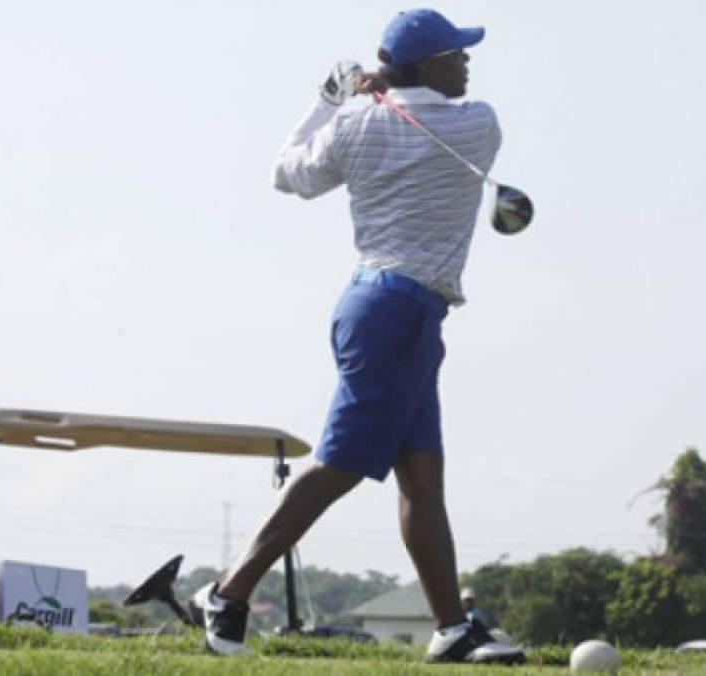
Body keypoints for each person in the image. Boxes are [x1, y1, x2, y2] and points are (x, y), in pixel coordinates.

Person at [188, 8, 524, 666]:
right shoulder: (479, 124)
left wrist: (331, 100)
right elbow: (416, 111)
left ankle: (452, 628)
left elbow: (287, 173)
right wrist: (376, 94)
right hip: (395, 312)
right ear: (428, 63)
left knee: (422, 479)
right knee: (339, 465)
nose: (466, 61)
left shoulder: (355, 123)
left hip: (390, 309)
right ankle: (228, 594)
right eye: (456, 52)